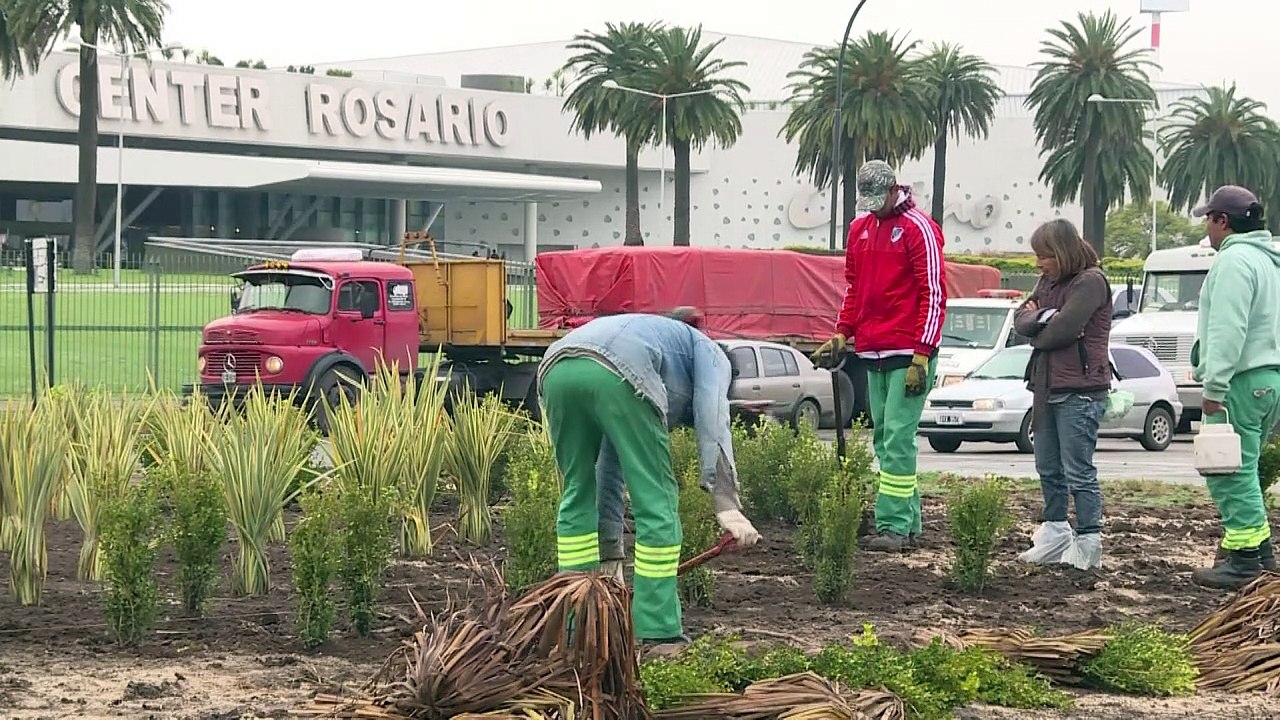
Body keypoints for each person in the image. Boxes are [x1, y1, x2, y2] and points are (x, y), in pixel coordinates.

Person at [535, 311, 761, 644]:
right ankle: (658, 631)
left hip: (557, 368)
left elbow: (609, 463)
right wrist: (726, 503)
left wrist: (610, 550)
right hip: (621, 371)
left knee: (577, 493)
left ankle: (576, 626)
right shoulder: (712, 353)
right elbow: (712, 415)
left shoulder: (653, 334)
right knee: (656, 502)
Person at [810, 159, 946, 553]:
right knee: (886, 439)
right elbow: (854, 289)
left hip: (909, 352)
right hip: (874, 349)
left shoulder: (919, 229)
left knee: (899, 438)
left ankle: (894, 525)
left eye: (877, 199)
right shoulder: (860, 229)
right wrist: (842, 333)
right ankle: (909, 522)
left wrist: (923, 355)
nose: (871, 207)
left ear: (893, 190)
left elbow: (933, 294)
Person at [1187, 185, 1280, 589]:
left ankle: (1243, 561)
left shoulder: (1234, 262)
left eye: (1209, 218)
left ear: (1222, 221)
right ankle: (1260, 556)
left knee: (1229, 470)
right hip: (1269, 379)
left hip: (1240, 381)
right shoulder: (1270, 262)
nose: (1206, 228)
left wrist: (1214, 385)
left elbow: (1228, 328)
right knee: (1244, 468)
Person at [1012, 219, 1113, 571]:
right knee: (1048, 468)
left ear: (1062, 252)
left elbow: (1063, 331)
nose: (1039, 264)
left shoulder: (1090, 281)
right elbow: (1018, 320)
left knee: (1078, 470)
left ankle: (1088, 539)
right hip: (1045, 385)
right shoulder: (1048, 281)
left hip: (1080, 391)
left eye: (1045, 256)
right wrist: (1043, 320)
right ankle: (1055, 531)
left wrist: (1037, 326)